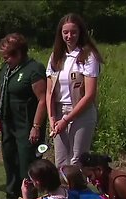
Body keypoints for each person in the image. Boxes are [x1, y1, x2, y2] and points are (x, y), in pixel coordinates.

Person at [0, 33, 47, 199]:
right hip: (8, 121)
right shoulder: (5, 70)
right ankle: (11, 193)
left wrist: (36, 126)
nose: (6, 59)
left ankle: (29, 198)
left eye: (8, 56)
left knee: (26, 161)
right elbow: (0, 93)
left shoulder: (34, 69)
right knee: (9, 158)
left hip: (26, 122)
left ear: (19, 53)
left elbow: (42, 99)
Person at [46, 13, 104, 168]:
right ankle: (63, 193)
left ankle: (77, 192)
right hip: (59, 110)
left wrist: (66, 120)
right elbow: (49, 91)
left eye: (73, 32)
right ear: (60, 34)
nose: (69, 36)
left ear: (80, 33)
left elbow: (90, 95)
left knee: (76, 161)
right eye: (65, 32)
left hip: (81, 112)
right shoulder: (55, 57)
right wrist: (52, 117)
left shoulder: (88, 56)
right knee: (61, 162)